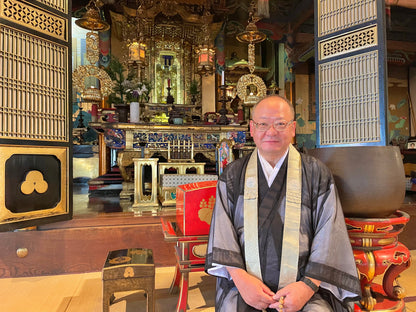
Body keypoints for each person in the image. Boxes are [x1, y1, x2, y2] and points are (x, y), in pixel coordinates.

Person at [205, 95, 361, 312]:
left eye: (280, 124)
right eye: (263, 124)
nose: (271, 132)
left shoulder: (316, 173)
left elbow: (329, 236)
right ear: (251, 128)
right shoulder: (233, 175)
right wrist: (241, 280)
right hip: (244, 286)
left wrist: (307, 286)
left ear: (293, 128)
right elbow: (223, 236)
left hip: (306, 284)